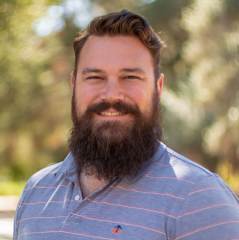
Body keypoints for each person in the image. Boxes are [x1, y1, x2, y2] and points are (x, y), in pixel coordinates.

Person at [13, 10, 239, 240]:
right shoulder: (36, 191)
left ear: (158, 89)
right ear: (74, 85)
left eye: (130, 77)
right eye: (95, 77)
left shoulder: (201, 199)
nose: (112, 95)